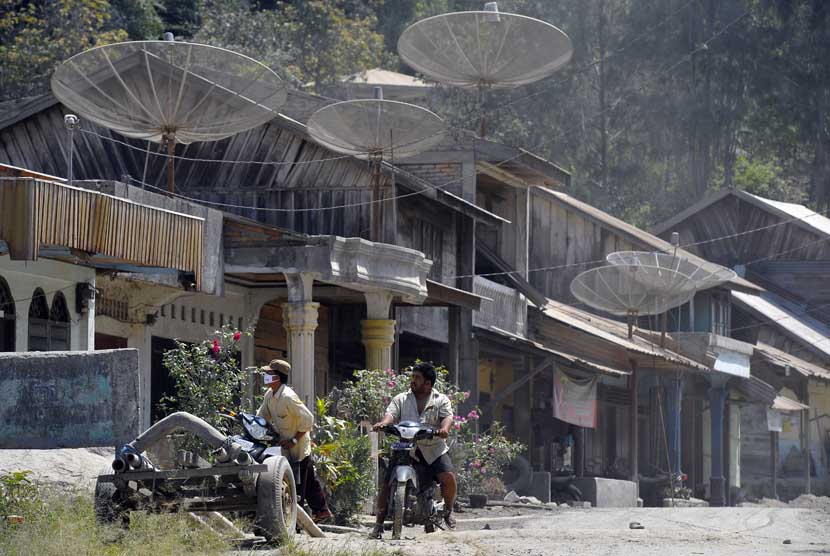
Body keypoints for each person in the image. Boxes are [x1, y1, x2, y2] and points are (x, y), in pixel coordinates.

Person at [370, 362, 456, 538]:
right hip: (406, 446)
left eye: (417, 377)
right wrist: (384, 424)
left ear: (428, 383)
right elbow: (391, 414)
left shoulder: (441, 400)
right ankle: (378, 525)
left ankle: (448, 510)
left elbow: (447, 417)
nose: (413, 380)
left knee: (449, 478)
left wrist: (444, 429)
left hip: (433, 449)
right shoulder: (402, 398)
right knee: (386, 484)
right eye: (412, 377)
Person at [256, 358, 332, 523]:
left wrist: (294, 441)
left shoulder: (288, 397)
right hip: (283, 445)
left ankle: (295, 522)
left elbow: (308, 419)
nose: (265, 376)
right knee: (309, 481)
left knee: (297, 486)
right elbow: (261, 417)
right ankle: (322, 511)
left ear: (277, 377)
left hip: (298, 447)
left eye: (269, 373)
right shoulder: (270, 395)